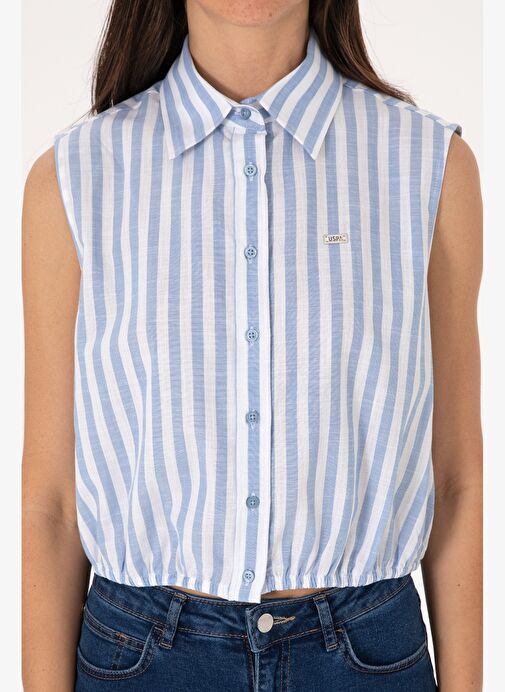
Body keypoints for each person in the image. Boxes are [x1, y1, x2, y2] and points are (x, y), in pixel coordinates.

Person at [21, 1, 483, 690]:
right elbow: (53, 505)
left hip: (366, 659)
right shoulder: (75, 177)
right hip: (142, 662)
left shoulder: (427, 164)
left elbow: (455, 478)